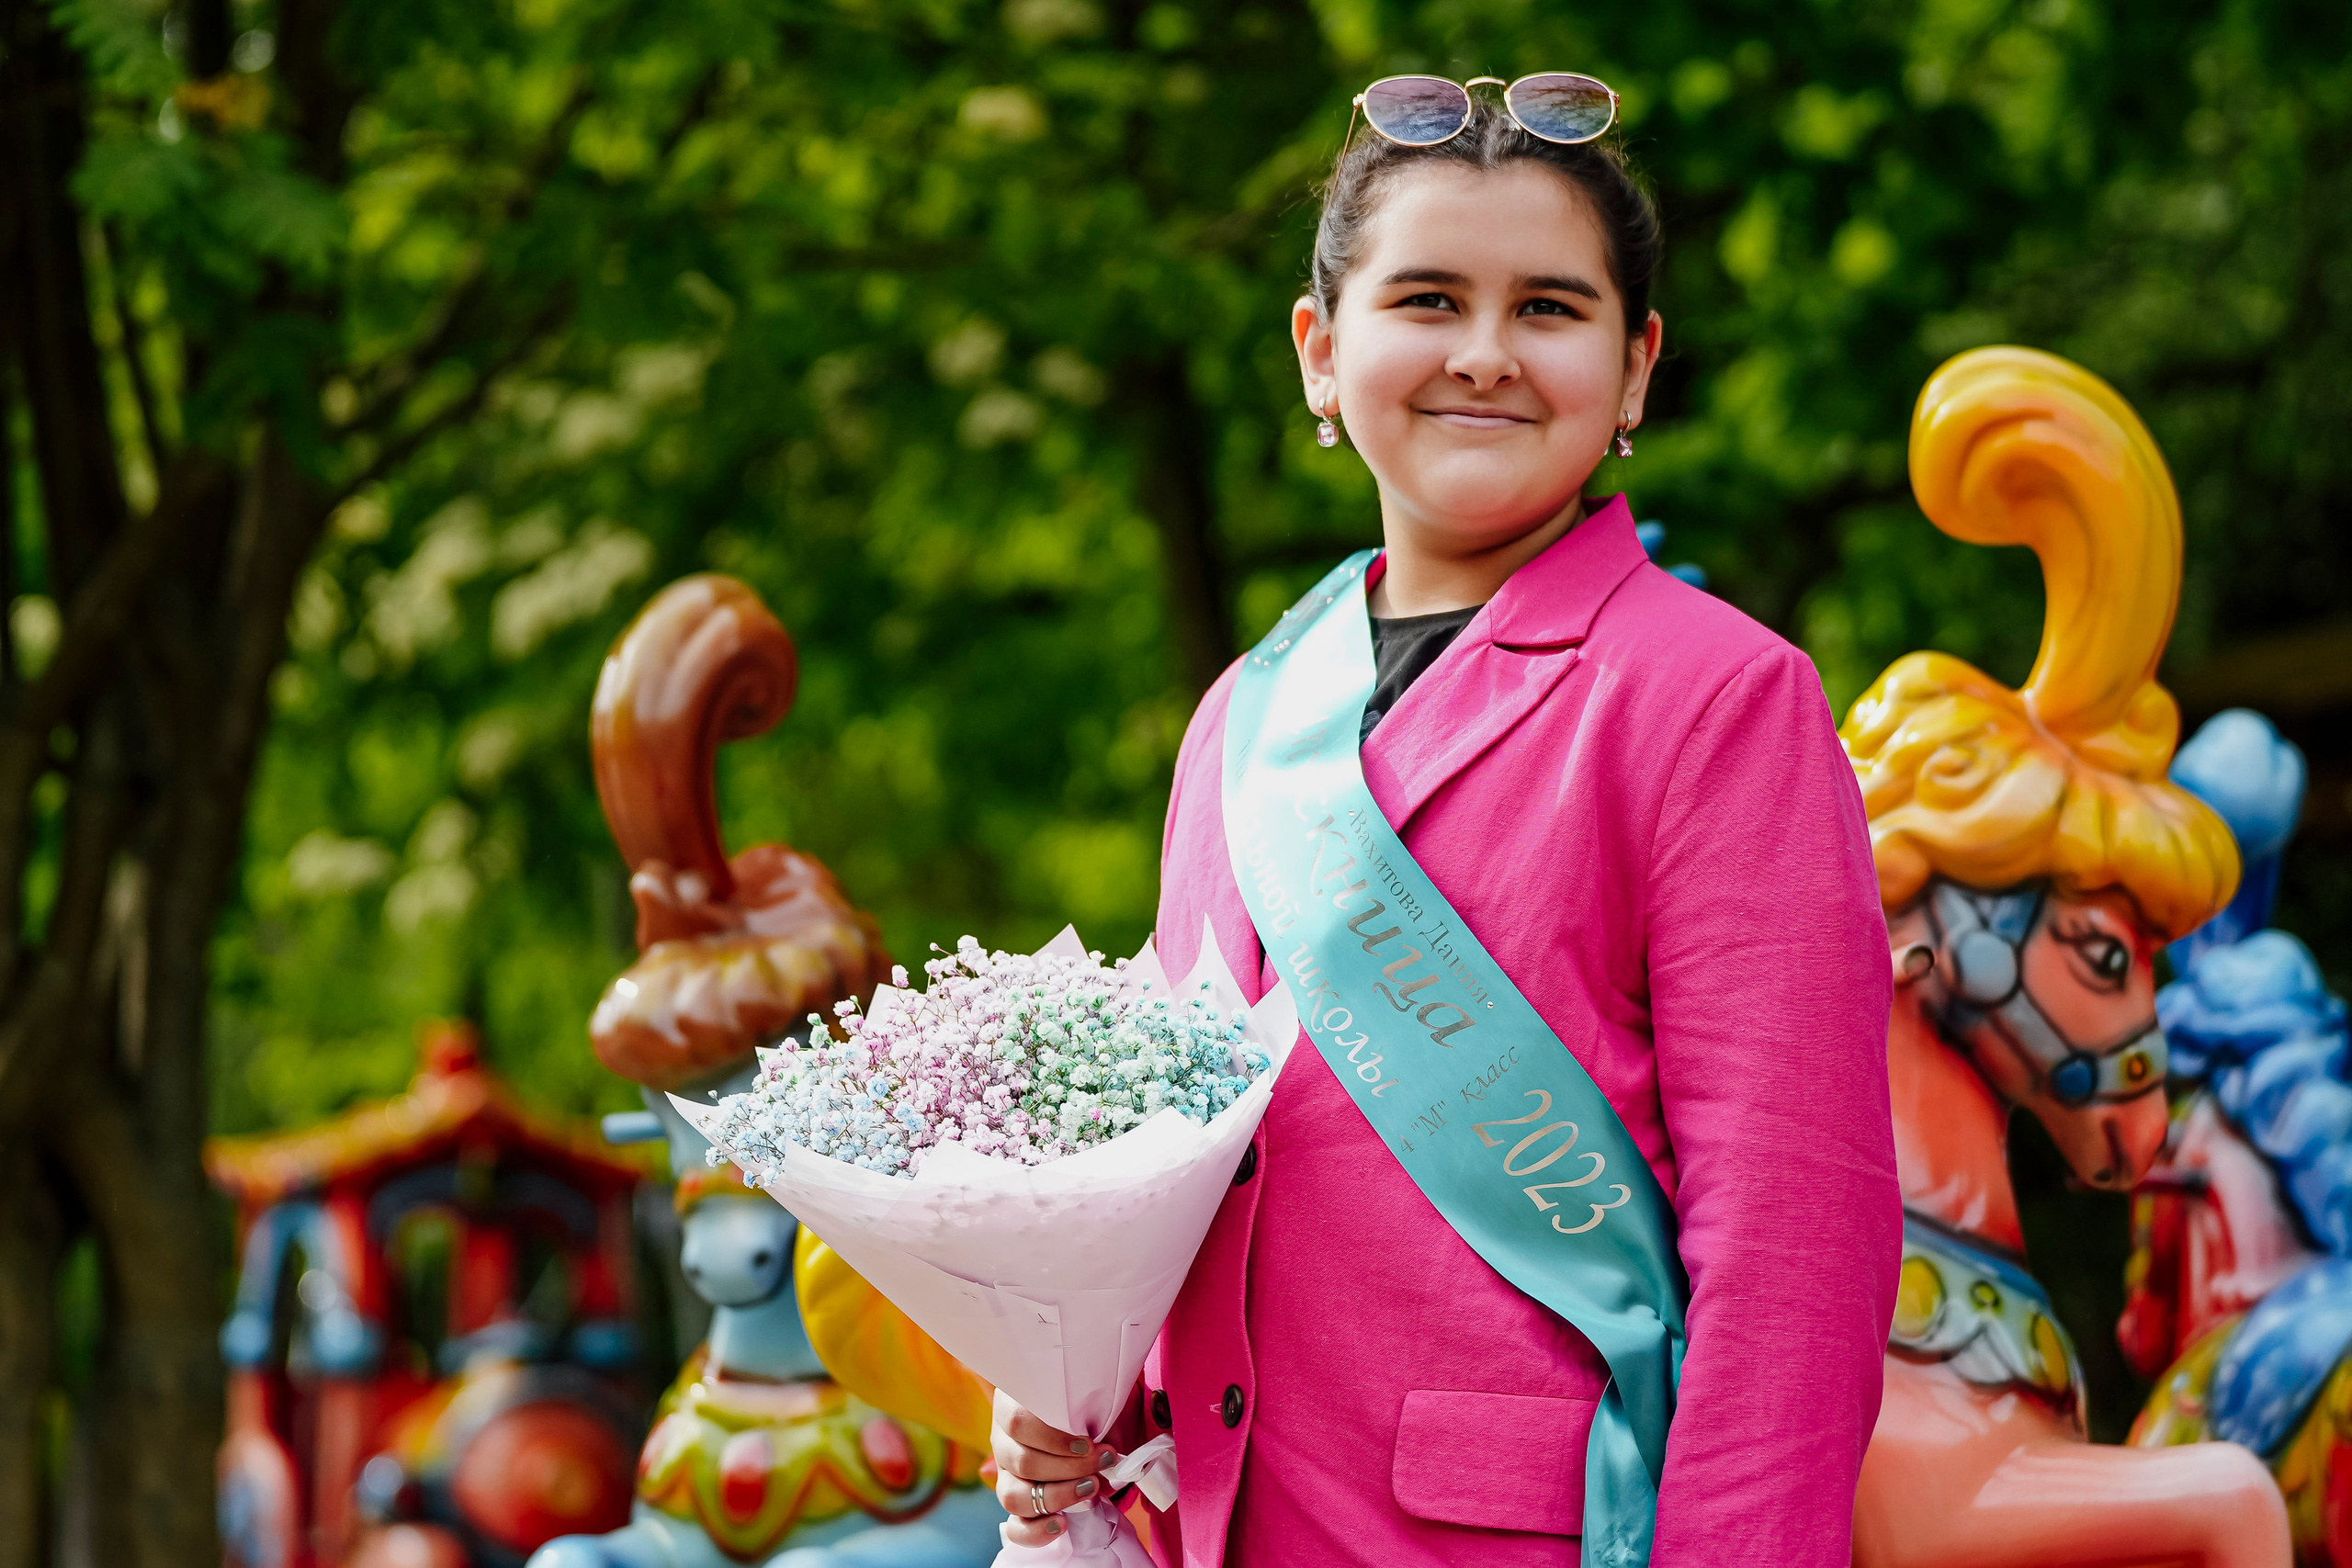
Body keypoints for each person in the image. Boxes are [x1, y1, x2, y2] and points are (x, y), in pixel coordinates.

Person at [989, 77, 1900, 1566]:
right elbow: (1169, 1161)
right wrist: (1080, 1389)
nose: (1485, 352)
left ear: (1635, 368)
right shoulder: (1240, 717)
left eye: (1549, 308)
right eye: (1428, 300)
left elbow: (1795, 1250)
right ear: (1320, 351)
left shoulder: (1721, 700)